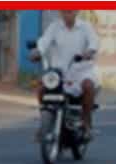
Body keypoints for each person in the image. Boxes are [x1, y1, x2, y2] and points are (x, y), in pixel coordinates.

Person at [31, 9, 101, 139]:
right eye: (64, 11)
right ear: (60, 12)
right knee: (41, 88)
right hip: (59, 73)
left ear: (76, 11)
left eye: (70, 11)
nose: (67, 14)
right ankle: (45, 121)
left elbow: (94, 42)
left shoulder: (85, 27)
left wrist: (89, 52)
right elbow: (44, 42)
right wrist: (37, 52)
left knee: (88, 86)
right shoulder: (54, 27)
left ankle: (86, 123)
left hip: (81, 71)